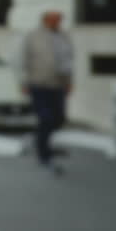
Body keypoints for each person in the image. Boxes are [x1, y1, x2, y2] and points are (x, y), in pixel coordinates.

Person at [19, 9, 74, 175]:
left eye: (60, 19)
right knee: (45, 118)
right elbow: (22, 59)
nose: (58, 22)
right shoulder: (33, 36)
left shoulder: (64, 37)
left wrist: (69, 82)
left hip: (58, 84)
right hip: (38, 83)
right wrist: (24, 81)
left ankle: (37, 140)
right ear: (46, 20)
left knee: (59, 118)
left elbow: (69, 60)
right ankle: (44, 154)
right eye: (55, 19)